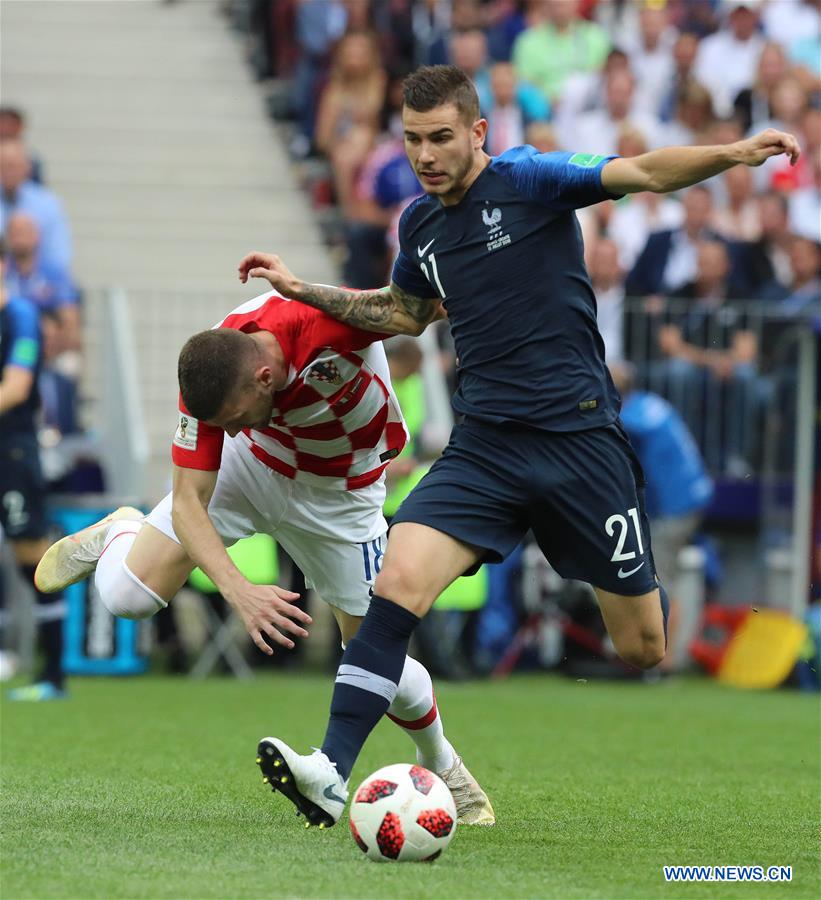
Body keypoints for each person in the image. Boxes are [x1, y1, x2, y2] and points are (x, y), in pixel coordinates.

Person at [234, 63, 800, 828]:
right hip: (487, 448)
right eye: (412, 140)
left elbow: (640, 172)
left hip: (579, 443)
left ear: (477, 132)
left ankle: (636, 577)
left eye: (440, 138)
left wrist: (731, 153)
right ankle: (331, 772)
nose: (425, 155)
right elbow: (402, 314)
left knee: (642, 646)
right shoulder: (419, 226)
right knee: (395, 584)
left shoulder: (531, 179)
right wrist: (304, 292)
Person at [34, 288, 493, 827]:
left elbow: (416, 308)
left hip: (341, 500)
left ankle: (443, 764)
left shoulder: (323, 326)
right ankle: (123, 531)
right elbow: (187, 501)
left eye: (233, 417)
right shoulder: (209, 374)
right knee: (124, 597)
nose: (226, 429)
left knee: (373, 653)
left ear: (265, 378)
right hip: (250, 469)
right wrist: (239, 590)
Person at [609, 361, 713, 672]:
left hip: (674, 507)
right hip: (692, 496)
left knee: (661, 582)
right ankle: (664, 657)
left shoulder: (629, 420)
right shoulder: (649, 403)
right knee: (666, 577)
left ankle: (665, 662)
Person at [0, 241, 67, 701]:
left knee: (33, 561)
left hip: (12, 453)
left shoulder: (20, 315)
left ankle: (53, 676)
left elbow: (17, 386)